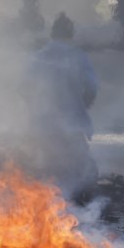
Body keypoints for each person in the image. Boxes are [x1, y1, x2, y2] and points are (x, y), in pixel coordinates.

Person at [24, 12, 98, 202]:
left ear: (52, 33)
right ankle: (73, 208)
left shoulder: (37, 57)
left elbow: (23, 88)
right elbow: (91, 88)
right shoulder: (78, 57)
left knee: (47, 167)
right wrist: (83, 106)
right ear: (70, 34)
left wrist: (34, 108)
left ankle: (49, 206)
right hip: (72, 122)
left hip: (43, 124)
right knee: (76, 166)